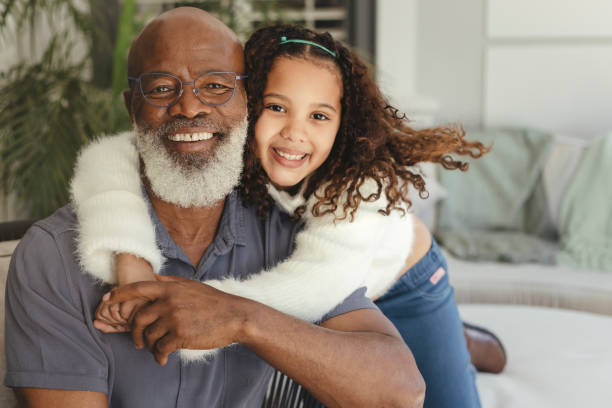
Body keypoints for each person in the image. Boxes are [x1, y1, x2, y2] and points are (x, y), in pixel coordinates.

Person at [3, 8, 428, 408]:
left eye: (215, 85)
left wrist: (243, 318)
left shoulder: (296, 225)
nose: (189, 107)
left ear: (246, 99)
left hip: (409, 271)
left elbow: (400, 393)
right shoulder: (53, 257)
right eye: (162, 88)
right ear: (132, 109)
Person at [70, 22, 503, 408]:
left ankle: (465, 343)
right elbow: (111, 156)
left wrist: (181, 304)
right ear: (248, 102)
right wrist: (130, 256)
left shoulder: (358, 192)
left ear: (342, 125)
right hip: (345, 297)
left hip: (403, 287)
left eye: (319, 116)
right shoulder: (226, 142)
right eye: (277, 107)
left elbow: (308, 295)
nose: (295, 132)